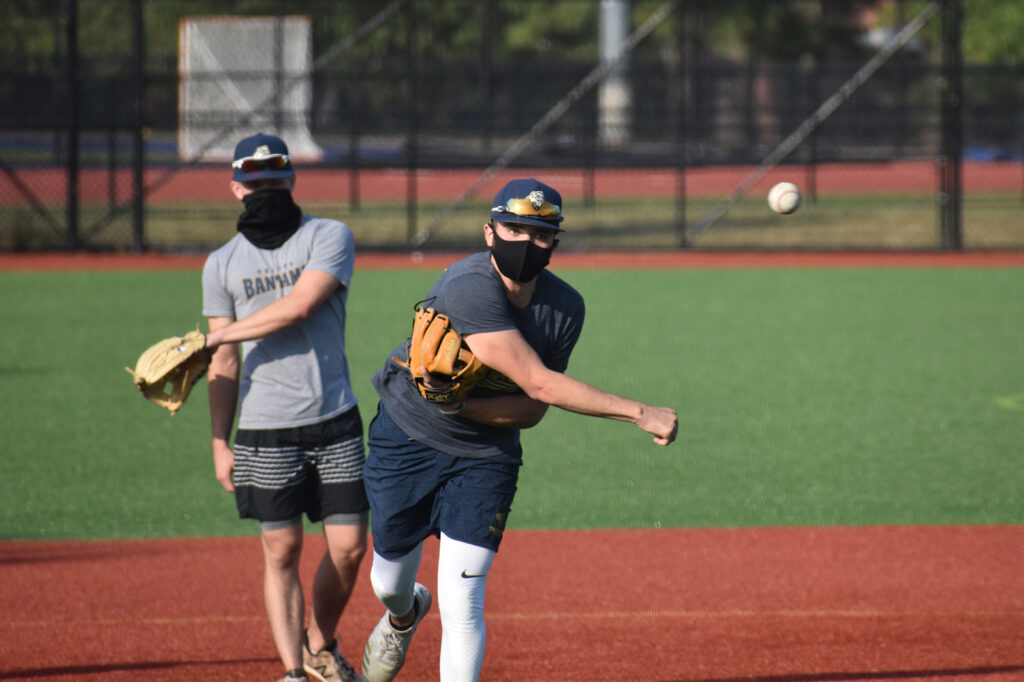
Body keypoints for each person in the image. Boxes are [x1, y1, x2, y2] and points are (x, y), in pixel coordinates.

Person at [359, 178, 679, 681]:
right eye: (513, 228)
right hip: (409, 437)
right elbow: (539, 384)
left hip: (486, 457)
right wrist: (642, 412)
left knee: (463, 600)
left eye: (540, 234)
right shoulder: (467, 288)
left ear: (554, 243)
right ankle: (403, 615)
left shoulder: (564, 309)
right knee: (388, 581)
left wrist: (460, 408)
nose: (525, 243)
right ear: (489, 233)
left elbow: (532, 410)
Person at [201, 133, 368, 682]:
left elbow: (298, 307)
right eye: (253, 182)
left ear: (293, 179)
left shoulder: (328, 236)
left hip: (334, 418)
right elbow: (225, 362)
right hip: (265, 429)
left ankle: (320, 640)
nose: (264, 190)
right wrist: (219, 442)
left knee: (348, 550)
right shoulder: (221, 264)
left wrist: (210, 341)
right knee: (281, 551)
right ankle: (296, 670)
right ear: (235, 188)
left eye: (273, 180)